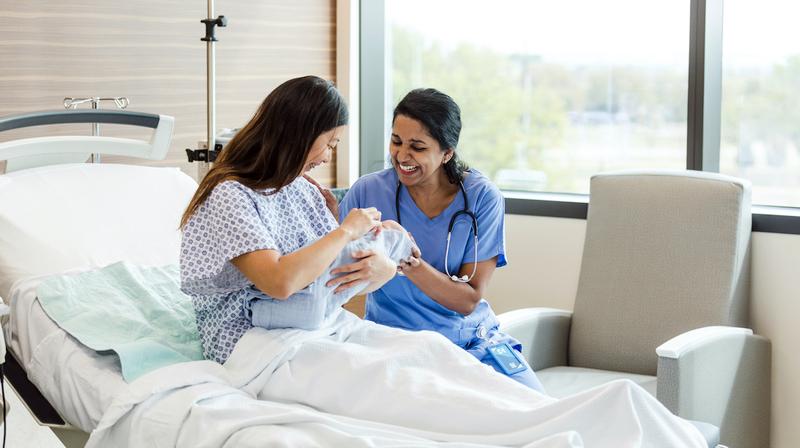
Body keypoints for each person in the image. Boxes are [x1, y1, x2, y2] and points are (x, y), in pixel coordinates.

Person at [178, 75, 398, 364]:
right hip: (251, 339)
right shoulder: (230, 195)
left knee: (424, 353)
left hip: (315, 328)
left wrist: (384, 270)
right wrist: (344, 232)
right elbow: (279, 282)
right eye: (330, 144)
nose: (329, 158)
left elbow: (332, 283)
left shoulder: (304, 190)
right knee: (385, 380)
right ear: (299, 134)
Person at [337, 88, 545, 392]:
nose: (401, 156)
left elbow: (467, 299)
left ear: (447, 152)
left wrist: (407, 259)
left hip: (470, 340)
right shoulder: (368, 192)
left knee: (536, 406)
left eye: (417, 147)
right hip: (392, 343)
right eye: (396, 141)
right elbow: (334, 270)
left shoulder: (481, 198)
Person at [246, 220, 415, 331]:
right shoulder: (234, 197)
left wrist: (389, 270)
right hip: (277, 316)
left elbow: (347, 286)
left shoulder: (311, 193)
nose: (327, 162)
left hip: (328, 314)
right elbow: (342, 237)